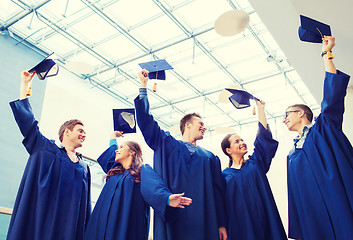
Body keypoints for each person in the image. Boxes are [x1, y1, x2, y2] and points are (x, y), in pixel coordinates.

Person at [134, 70, 227, 240]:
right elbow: (146, 121)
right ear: (188, 125)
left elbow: (218, 192)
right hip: (175, 216)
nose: (204, 127)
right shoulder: (166, 144)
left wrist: (221, 224)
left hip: (204, 221)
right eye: (201, 123)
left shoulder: (210, 158)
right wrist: (143, 85)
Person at [7, 71, 91, 240]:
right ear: (67, 132)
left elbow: (85, 207)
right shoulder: (46, 149)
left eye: (85, 132)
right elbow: (28, 123)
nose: (84, 135)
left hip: (69, 230)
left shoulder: (84, 167)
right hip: (41, 225)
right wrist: (25, 84)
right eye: (80, 131)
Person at [284, 36, 353, 240]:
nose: (284, 119)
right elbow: (295, 195)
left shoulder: (324, 130)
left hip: (339, 204)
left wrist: (326, 54)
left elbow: (331, 99)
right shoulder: (292, 155)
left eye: (287, 114)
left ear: (301, 113)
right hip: (315, 219)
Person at [84, 131, 192, 240]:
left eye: (122, 147)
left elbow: (154, 188)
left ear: (132, 152)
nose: (117, 150)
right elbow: (112, 151)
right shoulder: (114, 171)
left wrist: (167, 198)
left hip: (125, 225)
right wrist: (112, 137)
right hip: (101, 226)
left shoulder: (140, 172)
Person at [221, 100, 287, 240]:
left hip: (266, 218)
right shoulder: (223, 177)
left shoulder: (255, 163)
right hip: (243, 227)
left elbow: (263, 139)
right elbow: (220, 206)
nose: (242, 143)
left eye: (242, 140)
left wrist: (261, 110)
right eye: (237, 142)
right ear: (228, 150)